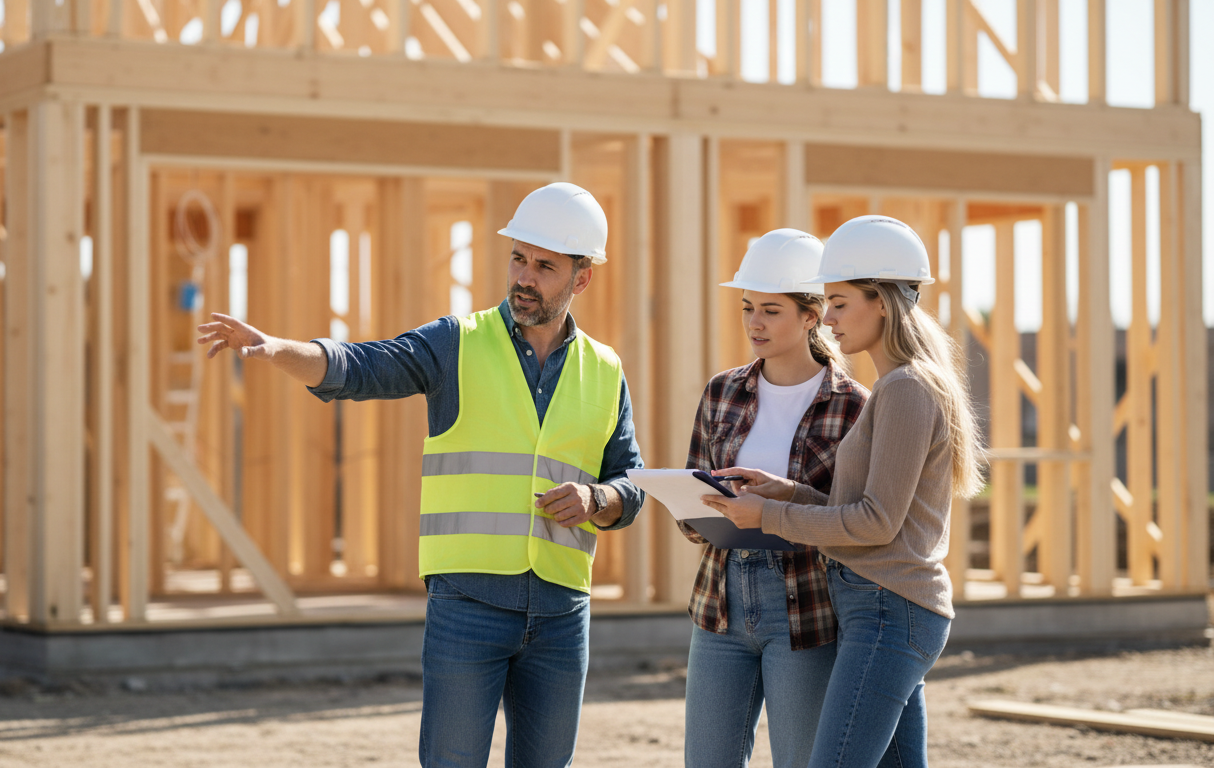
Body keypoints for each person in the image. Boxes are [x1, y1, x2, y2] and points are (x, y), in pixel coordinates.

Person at [196, 182, 646, 768]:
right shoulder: (457, 344)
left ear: (581, 279)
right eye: (518, 258)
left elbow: (630, 480)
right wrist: (280, 348)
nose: (524, 277)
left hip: (562, 612)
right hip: (469, 606)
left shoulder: (605, 369)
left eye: (545, 266)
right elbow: (365, 366)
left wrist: (598, 496)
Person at [702, 215, 983, 768]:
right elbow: (856, 510)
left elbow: (875, 524)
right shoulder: (900, 385)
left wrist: (770, 518)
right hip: (882, 607)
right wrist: (785, 492)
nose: (826, 320)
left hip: (888, 608)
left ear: (881, 301)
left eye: (839, 303)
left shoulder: (905, 388)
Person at [680, 230, 868, 768]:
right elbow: (694, 497)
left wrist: (779, 508)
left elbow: (852, 517)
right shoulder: (722, 391)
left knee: (802, 759)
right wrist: (700, 511)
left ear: (812, 315)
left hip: (806, 604)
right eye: (747, 308)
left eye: (770, 310)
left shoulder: (854, 406)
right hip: (719, 603)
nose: (754, 323)